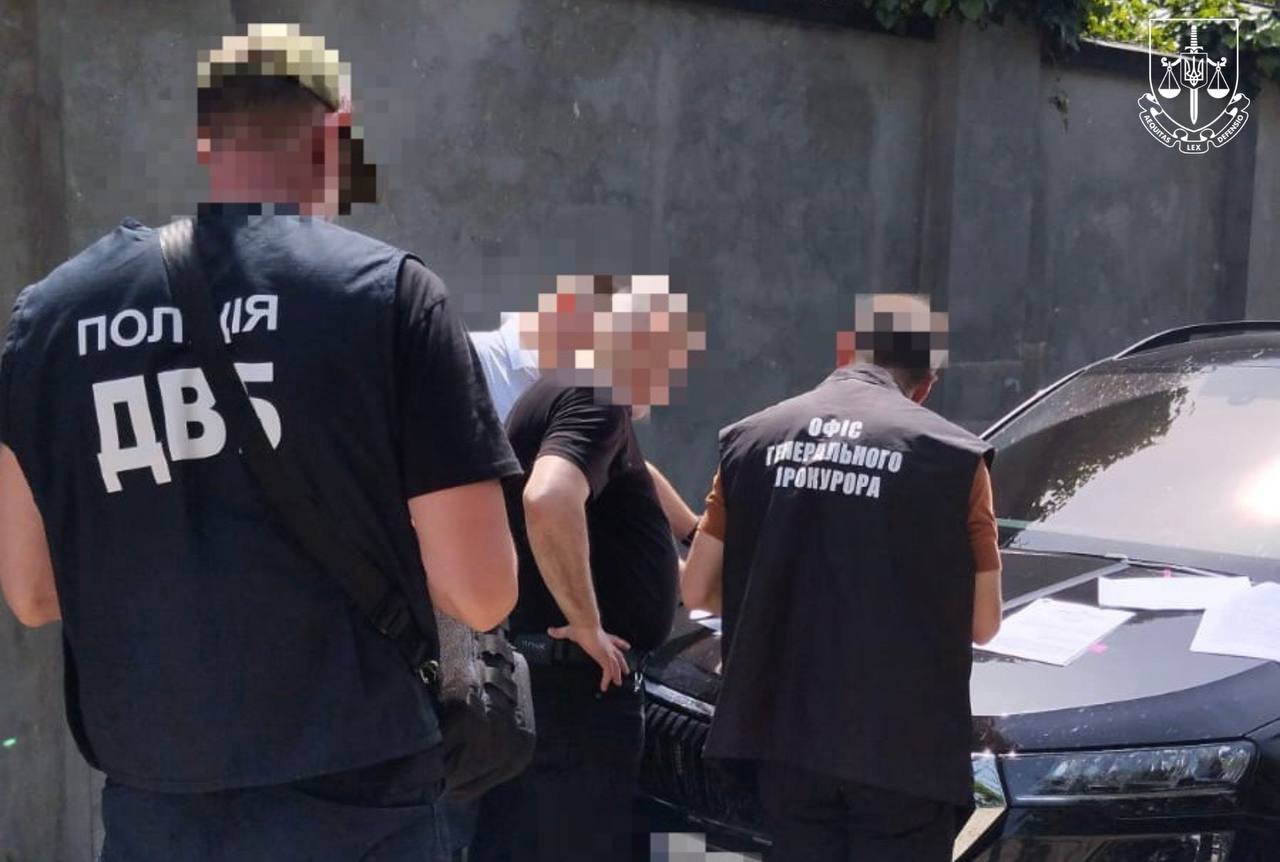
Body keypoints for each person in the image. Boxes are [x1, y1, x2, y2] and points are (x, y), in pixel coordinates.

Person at [0, 23, 521, 862]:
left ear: (205, 139)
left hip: (156, 802)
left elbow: (31, 591)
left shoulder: (51, 319)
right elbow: (483, 591)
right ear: (335, 134)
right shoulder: (387, 294)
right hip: (362, 797)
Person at [681, 293, 1003, 862]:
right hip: (903, 753)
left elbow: (697, 589)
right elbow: (983, 623)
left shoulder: (750, 440)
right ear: (926, 385)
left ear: (845, 350)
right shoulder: (955, 459)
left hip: (783, 739)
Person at [469, 276, 706, 862]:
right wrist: (586, 624)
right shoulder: (599, 392)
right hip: (575, 691)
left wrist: (685, 538)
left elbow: (610, 484)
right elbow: (549, 496)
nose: (672, 381)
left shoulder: (566, 391)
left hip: (545, 685)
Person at [469, 276, 701, 542]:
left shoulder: (577, 386)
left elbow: (618, 461)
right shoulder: (472, 362)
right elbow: (547, 498)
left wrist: (696, 534)